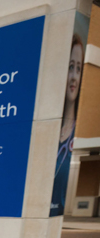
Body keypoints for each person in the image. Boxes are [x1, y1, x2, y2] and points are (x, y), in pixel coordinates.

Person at [51, 34, 84, 216]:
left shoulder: (68, 140)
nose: (74, 77)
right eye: (70, 67)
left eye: (78, 69)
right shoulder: (51, 136)